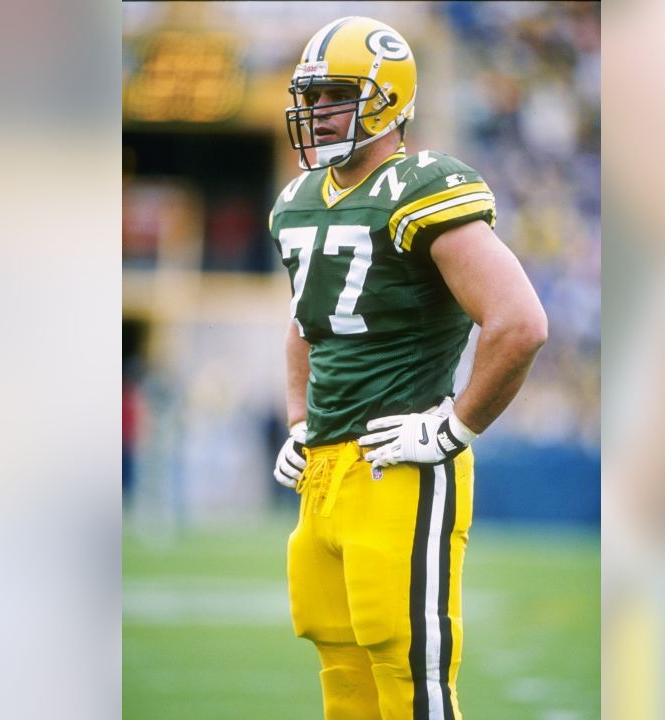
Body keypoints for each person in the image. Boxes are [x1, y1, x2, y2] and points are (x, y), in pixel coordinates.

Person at [267, 16, 548, 719]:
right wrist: (299, 420)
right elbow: (308, 319)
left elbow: (520, 322)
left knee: (407, 675)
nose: (317, 111)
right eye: (311, 95)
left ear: (386, 98)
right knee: (342, 670)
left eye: (334, 94)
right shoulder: (297, 202)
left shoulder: (422, 187)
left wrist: (454, 426)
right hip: (326, 472)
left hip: (399, 464)